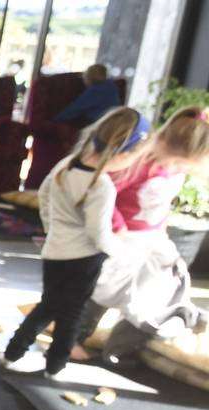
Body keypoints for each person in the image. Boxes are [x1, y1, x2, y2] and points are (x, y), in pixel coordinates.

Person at [0, 107, 148, 379]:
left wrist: (53, 228)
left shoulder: (66, 165)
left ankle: (13, 353)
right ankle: (55, 366)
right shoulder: (100, 186)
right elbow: (99, 234)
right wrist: (124, 253)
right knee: (70, 314)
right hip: (83, 261)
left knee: (49, 305)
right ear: (123, 153)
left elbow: (44, 196)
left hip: (54, 252)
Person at [76, 107, 209, 363]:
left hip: (152, 240)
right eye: (176, 162)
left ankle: (121, 348)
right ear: (163, 144)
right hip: (122, 238)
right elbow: (102, 195)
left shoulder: (174, 168)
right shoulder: (137, 165)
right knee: (102, 289)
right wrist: (117, 227)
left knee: (156, 292)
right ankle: (73, 338)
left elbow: (159, 207)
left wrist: (160, 234)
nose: (175, 167)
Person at [53, 63, 121, 128]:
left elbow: (76, 108)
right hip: (115, 121)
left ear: (88, 77)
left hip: (100, 123)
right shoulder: (111, 86)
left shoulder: (95, 91)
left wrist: (55, 120)